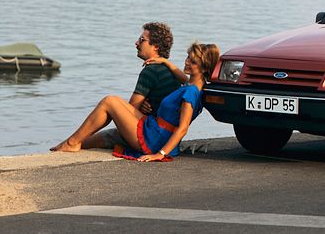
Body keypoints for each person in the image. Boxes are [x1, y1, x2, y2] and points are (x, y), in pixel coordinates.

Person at [50, 42, 220, 162]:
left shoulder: (190, 92)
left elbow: (183, 128)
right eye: (187, 57)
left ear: (204, 68)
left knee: (110, 101)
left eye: (192, 61)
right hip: (153, 128)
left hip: (154, 139)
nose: (186, 62)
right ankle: (71, 143)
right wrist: (164, 61)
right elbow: (182, 76)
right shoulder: (196, 85)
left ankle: (70, 143)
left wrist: (160, 154)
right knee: (88, 140)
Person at [90, 22, 181, 150]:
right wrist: (142, 107)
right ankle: (70, 143)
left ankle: (70, 143)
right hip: (167, 137)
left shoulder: (151, 70)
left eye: (142, 40)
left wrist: (139, 108)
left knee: (109, 105)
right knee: (105, 135)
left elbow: (130, 111)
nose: (136, 43)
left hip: (150, 137)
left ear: (155, 46)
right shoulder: (168, 70)